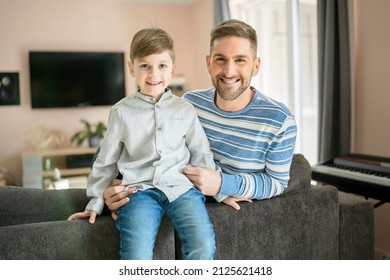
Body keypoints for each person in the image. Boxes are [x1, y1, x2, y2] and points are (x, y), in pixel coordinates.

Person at [104, 19, 297, 215]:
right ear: (209, 63)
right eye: (220, 59)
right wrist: (115, 188)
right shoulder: (190, 104)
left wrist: (222, 184)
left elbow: (277, 183)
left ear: (256, 66)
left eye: (240, 60)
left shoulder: (279, 120)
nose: (229, 71)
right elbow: (133, 144)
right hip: (169, 203)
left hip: (233, 221)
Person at [67, 28, 228, 260]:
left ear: (172, 69)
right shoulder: (120, 112)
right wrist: (95, 202)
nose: (154, 73)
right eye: (145, 66)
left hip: (181, 190)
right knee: (136, 256)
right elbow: (106, 161)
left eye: (162, 65)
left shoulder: (185, 109)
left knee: (203, 245)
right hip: (138, 192)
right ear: (132, 68)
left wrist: (222, 192)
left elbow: (201, 153)